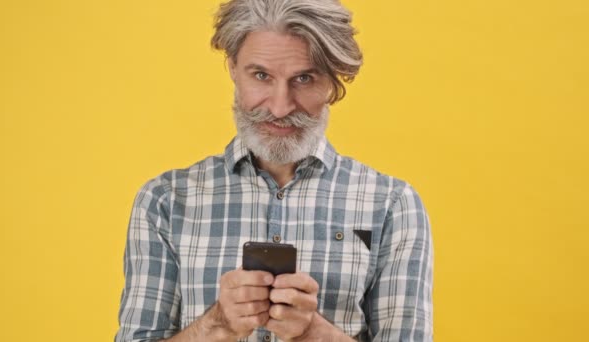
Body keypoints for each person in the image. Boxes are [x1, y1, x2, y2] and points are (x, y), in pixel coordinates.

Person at [115, 0, 433, 341]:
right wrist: (218, 324)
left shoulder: (392, 205)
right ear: (233, 68)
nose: (280, 107)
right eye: (262, 75)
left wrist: (312, 332)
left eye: (304, 78)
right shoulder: (165, 201)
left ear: (331, 81)